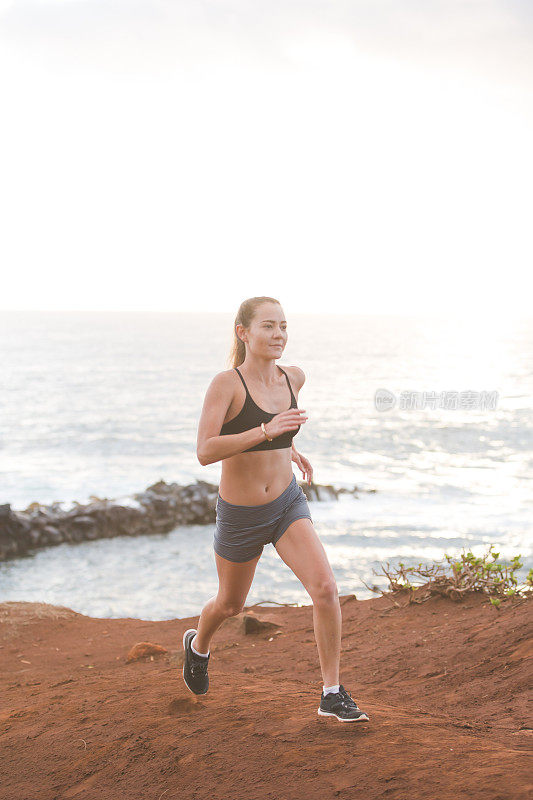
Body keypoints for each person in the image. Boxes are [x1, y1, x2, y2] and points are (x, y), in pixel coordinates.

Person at [182, 296, 369, 723]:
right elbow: (206, 451)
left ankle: (332, 692)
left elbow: (278, 428)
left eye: (283, 326)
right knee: (230, 605)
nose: (279, 335)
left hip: (286, 503)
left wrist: (289, 447)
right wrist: (267, 432)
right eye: (268, 326)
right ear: (243, 332)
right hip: (241, 514)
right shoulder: (225, 384)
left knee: (324, 588)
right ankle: (197, 645)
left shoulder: (294, 378)